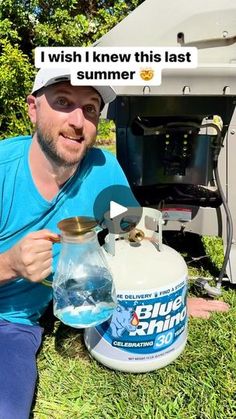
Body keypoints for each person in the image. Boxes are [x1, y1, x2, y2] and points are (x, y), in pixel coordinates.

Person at [0, 68, 229, 419]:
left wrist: (167, 301)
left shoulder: (102, 169)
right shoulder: (3, 170)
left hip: (13, 325)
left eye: (90, 108)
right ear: (33, 108)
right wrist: (10, 265)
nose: (78, 121)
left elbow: (134, 236)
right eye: (63, 102)